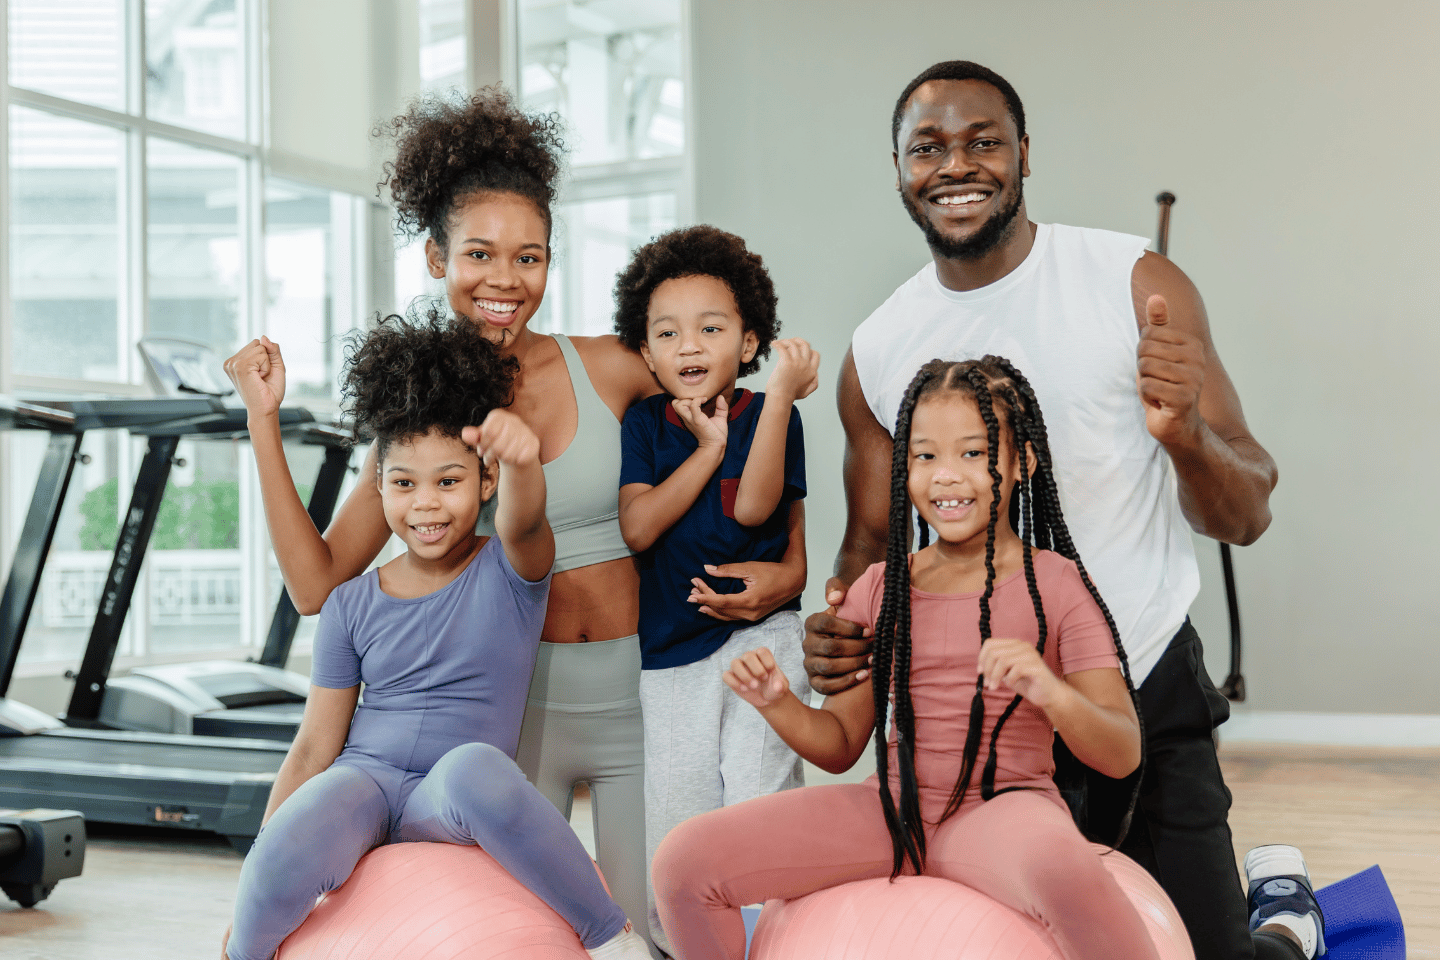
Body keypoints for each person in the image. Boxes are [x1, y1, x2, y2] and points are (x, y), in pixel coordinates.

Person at [222, 88, 805, 954]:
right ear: (434, 258)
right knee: (522, 934)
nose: (505, 281)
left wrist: (791, 569)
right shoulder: (425, 409)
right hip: (514, 714)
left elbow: (745, 421)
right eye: (480, 254)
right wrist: (262, 424)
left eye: (529, 257)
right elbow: (316, 584)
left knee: (658, 924)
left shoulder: (612, 365)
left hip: (637, 690)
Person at [801, 61, 1325, 960]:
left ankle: (1282, 919)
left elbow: (1248, 515)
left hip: (1139, 687)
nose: (955, 165)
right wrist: (839, 626)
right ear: (897, 169)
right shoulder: (879, 351)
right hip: (983, 721)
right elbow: (871, 544)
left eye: (983, 141)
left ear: (1024, 155)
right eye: (927, 147)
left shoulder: (1133, 281)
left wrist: (1187, 434)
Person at [653, 357, 1161, 960]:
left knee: (1071, 876)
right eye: (925, 456)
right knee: (684, 863)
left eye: (974, 453)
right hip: (890, 812)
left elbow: (1122, 750)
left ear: (1021, 461)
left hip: (1003, 813)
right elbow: (841, 743)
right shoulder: (882, 586)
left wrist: (1051, 691)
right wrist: (778, 704)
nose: (946, 476)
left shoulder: (1055, 583)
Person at [223, 316, 650, 960]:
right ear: (379, 488)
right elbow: (315, 746)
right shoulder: (349, 603)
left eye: (448, 481)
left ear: (485, 482)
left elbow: (526, 522)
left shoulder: (512, 572)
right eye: (404, 483)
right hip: (364, 783)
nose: (425, 504)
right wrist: (263, 864)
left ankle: (614, 940)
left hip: (444, 799)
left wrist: (525, 460)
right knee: (311, 805)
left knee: (478, 768)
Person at [611, 226, 819, 953]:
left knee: (757, 795)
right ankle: (685, 948)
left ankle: (768, 943)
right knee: (679, 817)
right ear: (646, 353)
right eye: (667, 333)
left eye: (711, 328)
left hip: (761, 637)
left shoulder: (773, 413)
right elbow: (639, 527)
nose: (690, 346)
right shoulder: (645, 423)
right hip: (670, 652)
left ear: (750, 341)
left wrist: (781, 397)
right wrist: (706, 449)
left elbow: (756, 508)